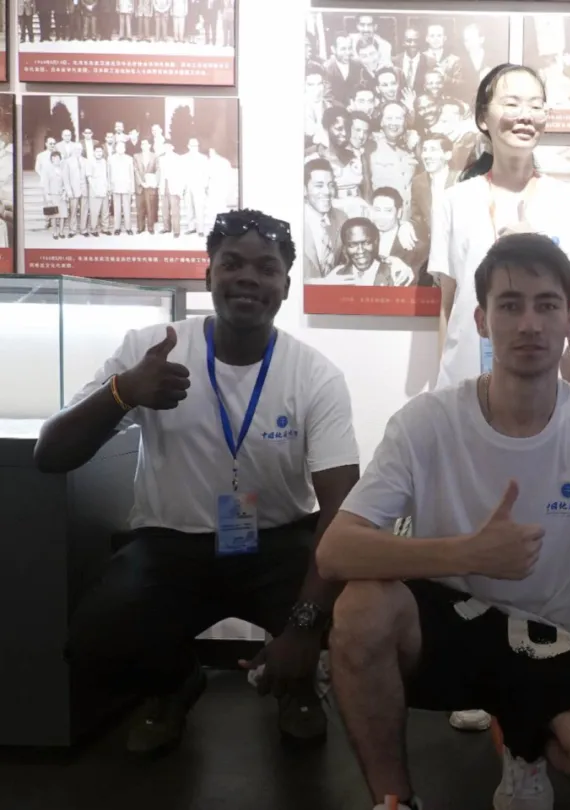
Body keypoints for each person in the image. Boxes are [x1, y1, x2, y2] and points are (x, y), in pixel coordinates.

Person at [318, 233, 570, 810]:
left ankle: (523, 741)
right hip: (447, 625)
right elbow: (335, 551)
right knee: (359, 609)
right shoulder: (426, 421)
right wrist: (466, 554)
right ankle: (394, 801)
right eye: (510, 305)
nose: (529, 324)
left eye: (547, 305)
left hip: (549, 635)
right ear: (481, 319)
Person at [33, 209, 361, 756]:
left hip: (277, 544)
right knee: (96, 639)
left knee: (353, 613)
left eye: (266, 268)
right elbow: (51, 454)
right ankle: (173, 683)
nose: (248, 278)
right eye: (232, 263)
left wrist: (304, 629)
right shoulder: (151, 349)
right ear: (208, 273)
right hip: (171, 545)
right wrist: (123, 392)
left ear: (285, 285)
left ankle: (297, 684)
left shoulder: (314, 375)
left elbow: (341, 511)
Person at [428, 65, 570, 732]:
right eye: (511, 102)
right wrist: (442, 378)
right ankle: (470, 673)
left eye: (536, 103)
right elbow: (447, 303)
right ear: (484, 117)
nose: (524, 113)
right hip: (469, 384)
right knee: (470, 522)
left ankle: (535, 665)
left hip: (540, 388)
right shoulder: (456, 200)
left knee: (538, 524)